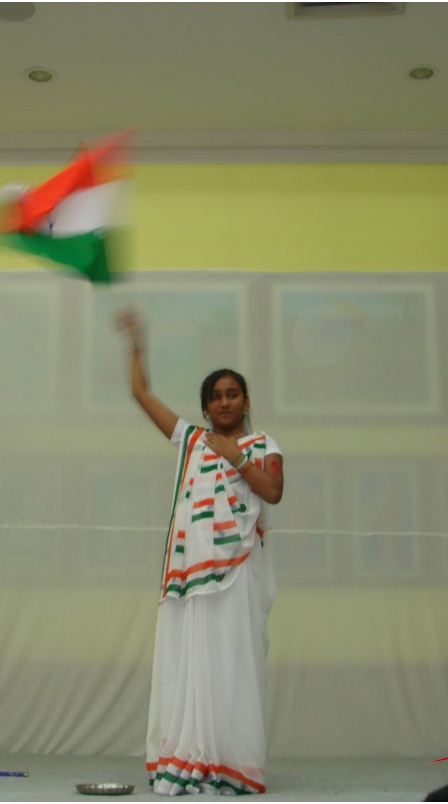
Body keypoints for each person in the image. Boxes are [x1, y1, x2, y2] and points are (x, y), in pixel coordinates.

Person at [116, 309, 284, 796]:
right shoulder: (192, 442)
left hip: (238, 576)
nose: (225, 401)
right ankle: (188, 757)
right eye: (216, 396)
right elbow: (141, 395)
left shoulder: (262, 444)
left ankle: (233, 764)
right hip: (191, 578)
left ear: (246, 400)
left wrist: (235, 458)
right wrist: (137, 344)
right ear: (206, 408)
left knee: (233, 665)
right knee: (190, 664)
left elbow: (271, 491)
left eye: (233, 394)